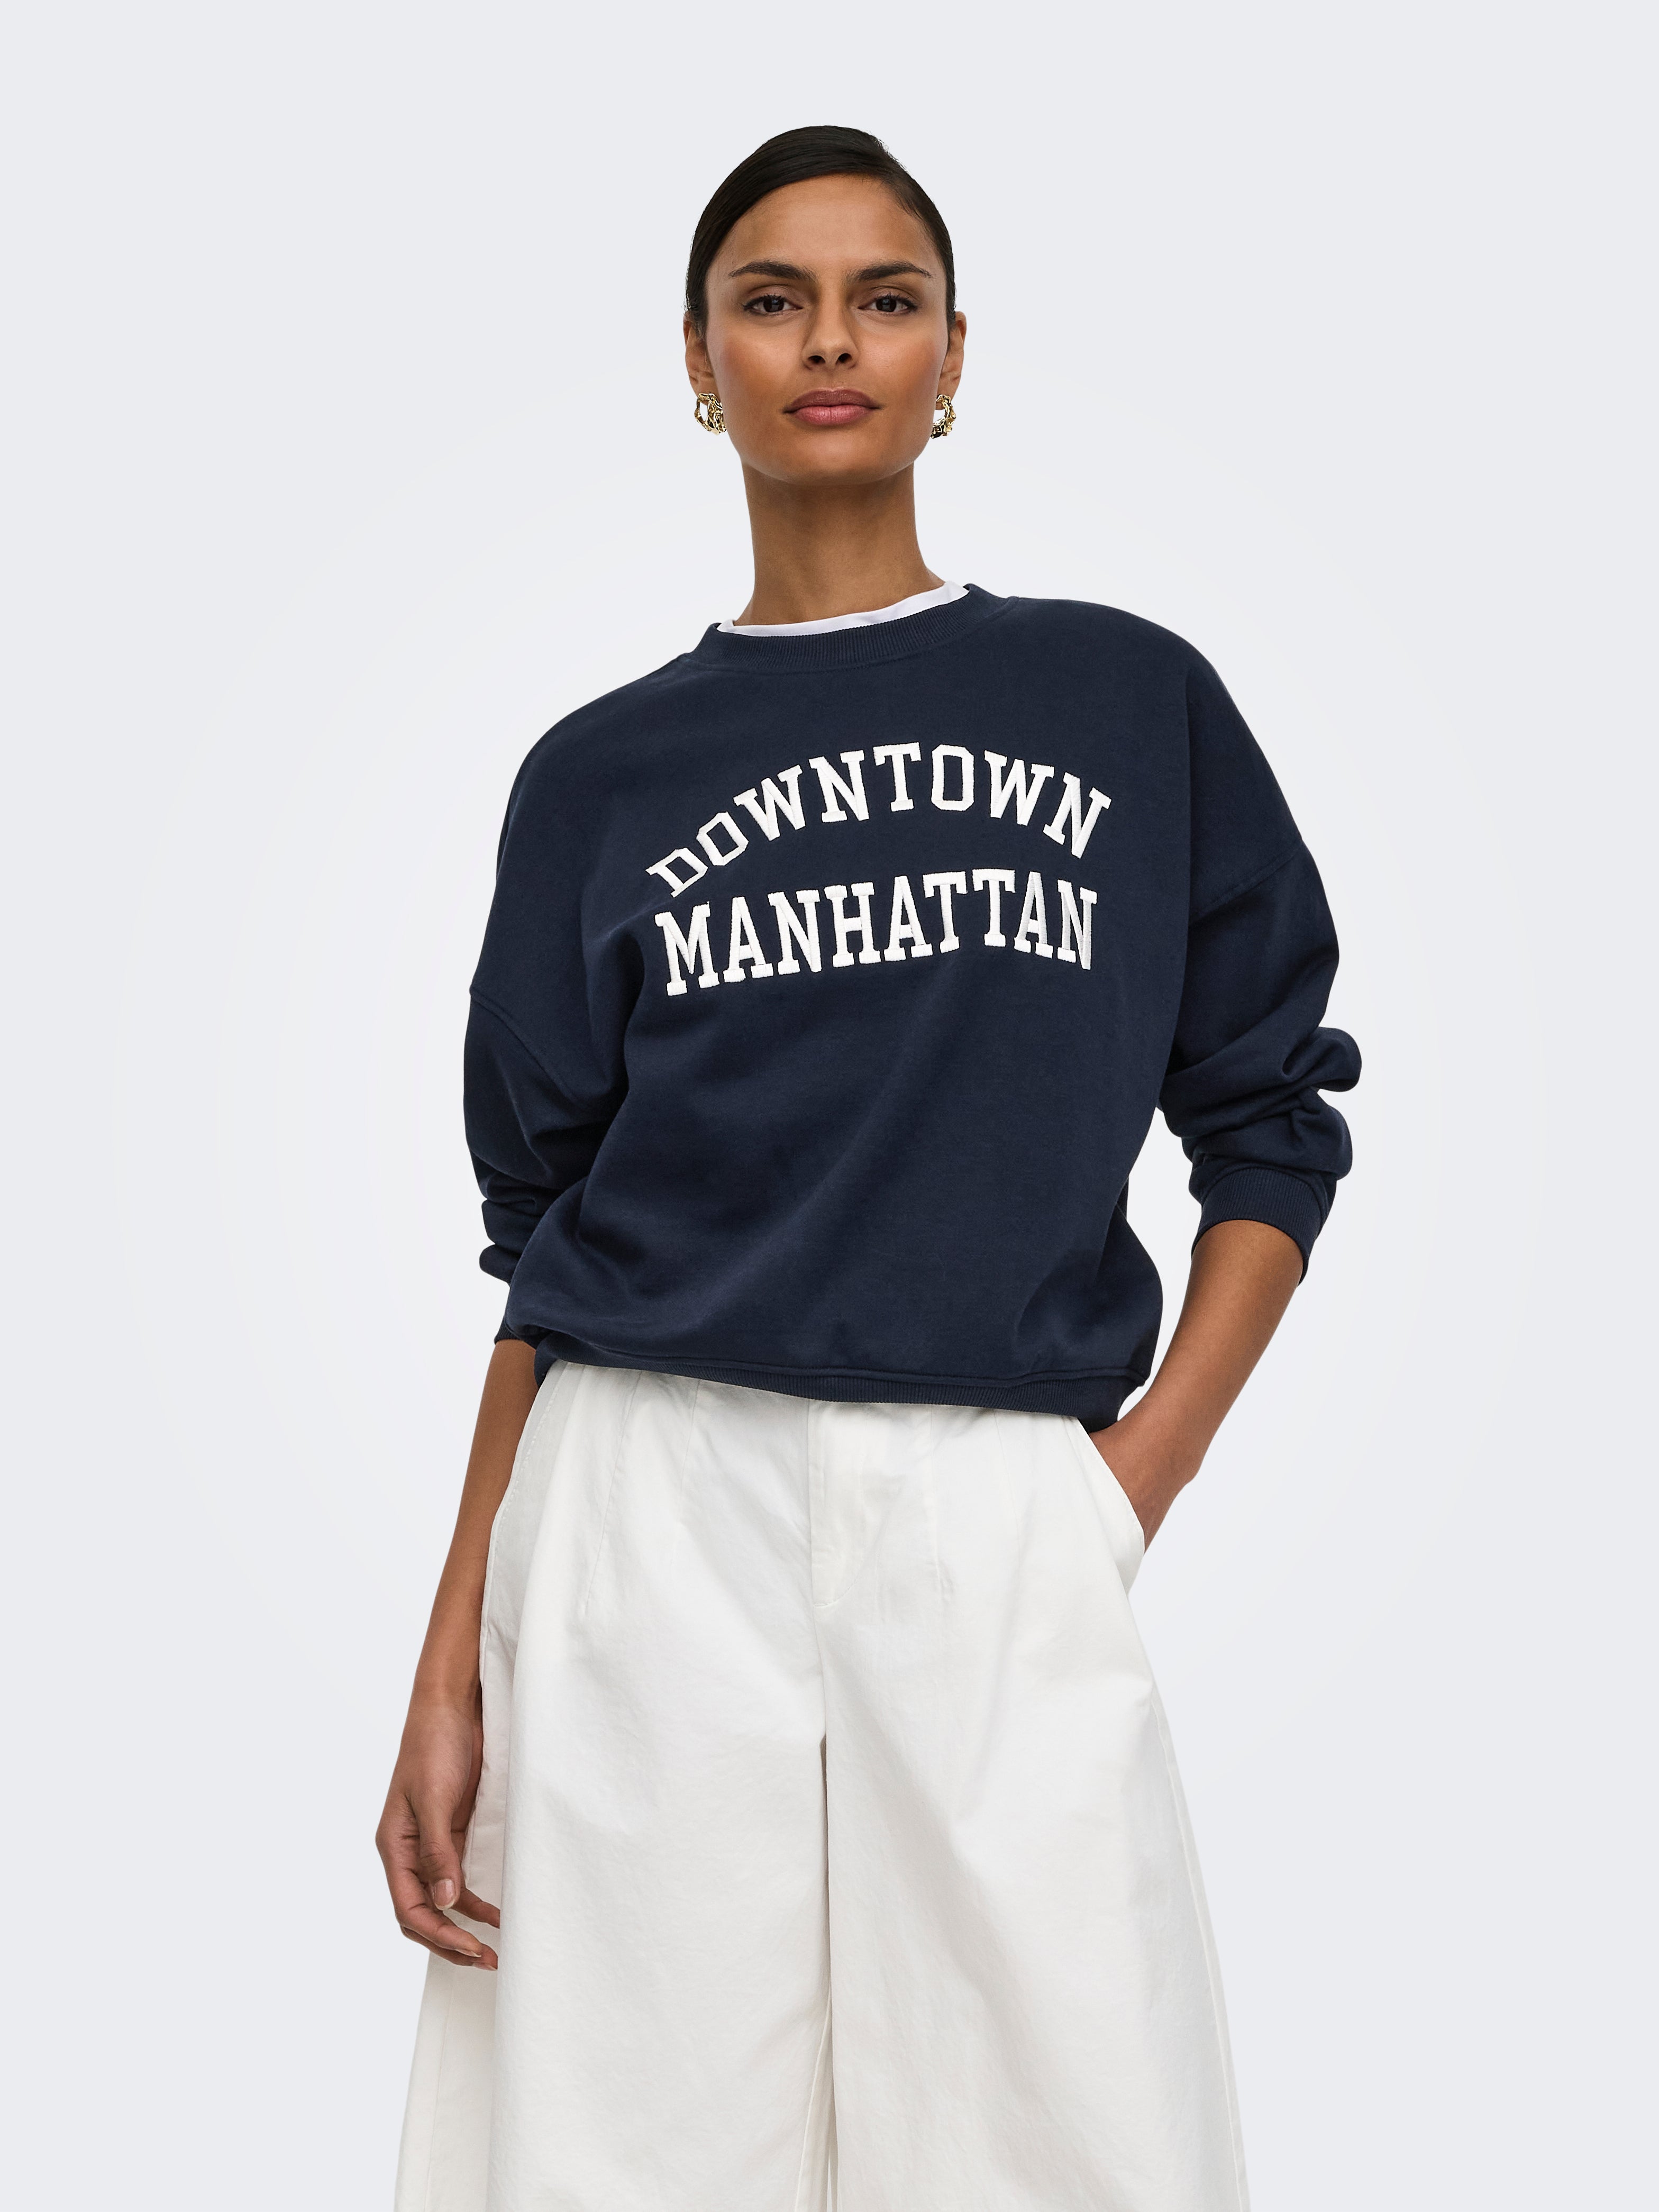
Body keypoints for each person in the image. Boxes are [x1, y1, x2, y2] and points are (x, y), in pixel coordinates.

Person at [379, 124, 1359, 2212]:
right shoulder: (599, 776)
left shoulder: (1125, 699)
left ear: (951, 358)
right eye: (773, 300)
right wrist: (452, 1643)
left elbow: (1270, 1116)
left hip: (996, 1499)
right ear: (698, 361)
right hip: (647, 1504)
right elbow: (544, 1242)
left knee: (1078, 2135)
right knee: (626, 2155)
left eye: (883, 299)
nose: (830, 340)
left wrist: (1133, 1478)